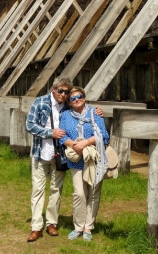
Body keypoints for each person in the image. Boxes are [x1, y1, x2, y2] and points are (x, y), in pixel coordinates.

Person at [25, 76, 103, 242]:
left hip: (60, 155)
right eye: (60, 91)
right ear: (53, 89)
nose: (64, 94)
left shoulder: (67, 106)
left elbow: (82, 108)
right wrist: (49, 133)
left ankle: (51, 223)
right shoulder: (39, 102)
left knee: (56, 190)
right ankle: (36, 227)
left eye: (66, 92)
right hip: (41, 153)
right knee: (38, 190)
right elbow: (29, 125)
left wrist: (97, 111)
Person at [59, 86, 109, 242]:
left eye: (79, 96)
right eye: (73, 98)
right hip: (76, 160)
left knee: (93, 193)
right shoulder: (65, 115)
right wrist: (74, 145)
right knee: (79, 193)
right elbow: (61, 136)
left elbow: (103, 135)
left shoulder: (95, 112)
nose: (76, 100)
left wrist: (85, 143)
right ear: (69, 102)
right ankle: (78, 226)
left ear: (84, 97)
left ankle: (88, 227)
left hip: (94, 158)